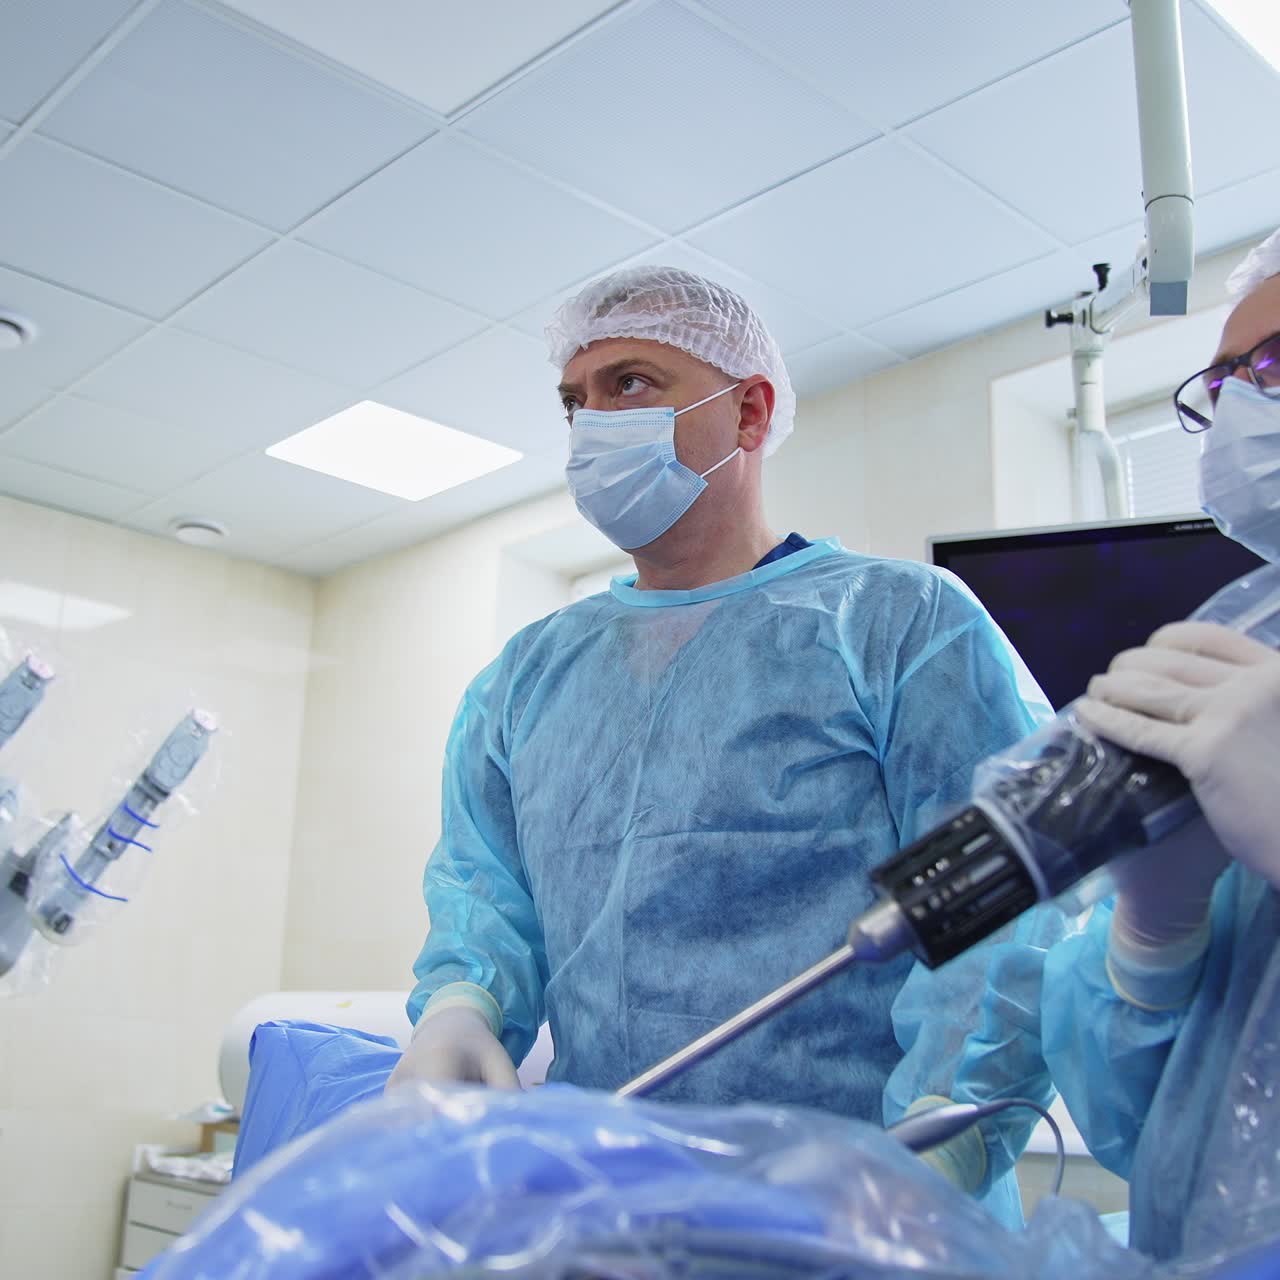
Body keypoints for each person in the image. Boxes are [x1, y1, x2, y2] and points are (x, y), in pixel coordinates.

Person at [387, 266, 1063, 1224]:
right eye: (575, 402)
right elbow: (483, 900)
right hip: (608, 1211)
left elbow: (1006, 904)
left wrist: (937, 1149)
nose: (592, 425)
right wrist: (462, 1005)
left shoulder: (899, 625)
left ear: (749, 412)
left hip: (862, 1219)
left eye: (630, 383)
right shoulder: (523, 680)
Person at [1039, 227, 1280, 1263]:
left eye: (1272, 363)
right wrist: (1152, 928)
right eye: (1219, 385)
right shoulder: (1248, 651)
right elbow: (1146, 1125)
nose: (1238, 409)